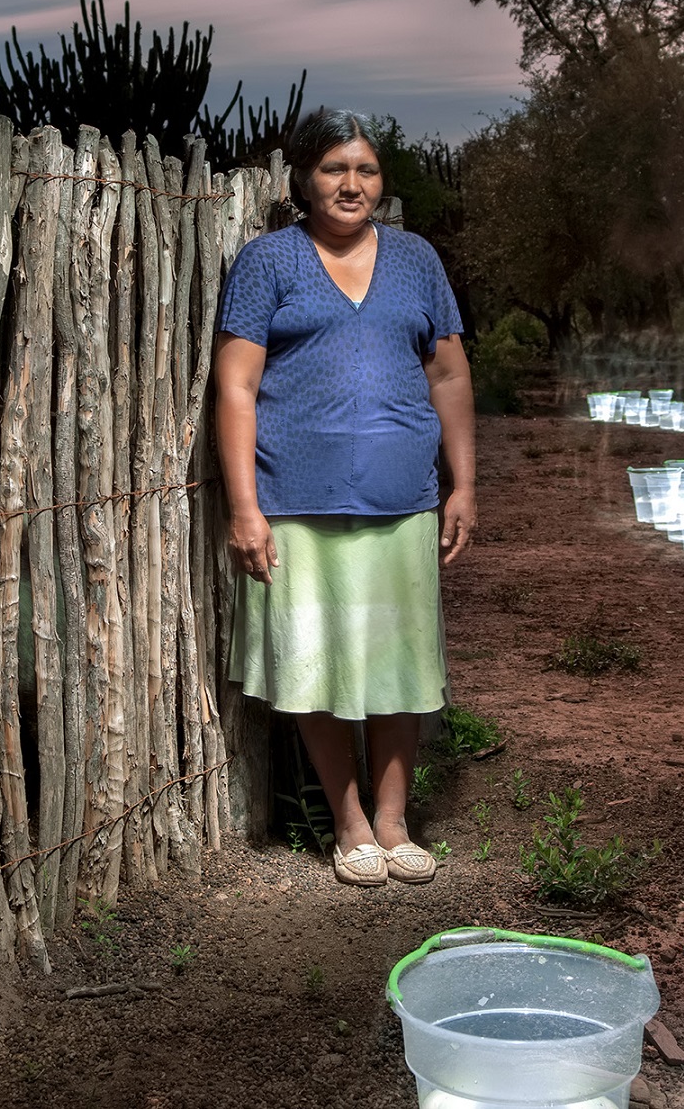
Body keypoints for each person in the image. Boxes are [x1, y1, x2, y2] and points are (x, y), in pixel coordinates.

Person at [213, 107, 477, 887]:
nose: (351, 184)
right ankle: (350, 820)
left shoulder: (417, 260)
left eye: (364, 169)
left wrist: (465, 484)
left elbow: (450, 374)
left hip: (403, 501)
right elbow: (236, 385)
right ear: (302, 179)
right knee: (317, 664)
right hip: (296, 499)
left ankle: (395, 820)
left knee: (401, 663)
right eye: (334, 169)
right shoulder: (268, 263)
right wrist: (243, 506)